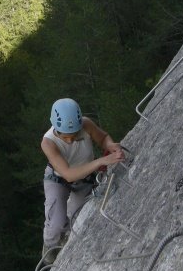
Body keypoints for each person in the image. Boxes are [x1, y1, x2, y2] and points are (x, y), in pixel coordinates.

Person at [41, 97, 124, 262]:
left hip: (84, 178)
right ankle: (49, 250)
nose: (70, 140)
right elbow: (68, 174)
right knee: (56, 225)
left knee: (75, 218)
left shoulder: (85, 124)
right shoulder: (48, 143)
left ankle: (65, 243)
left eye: (74, 135)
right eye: (66, 137)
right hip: (58, 180)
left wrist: (109, 145)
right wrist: (101, 161)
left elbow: (103, 138)